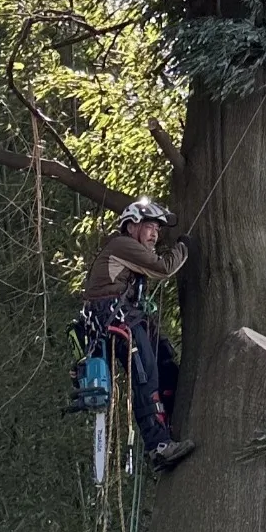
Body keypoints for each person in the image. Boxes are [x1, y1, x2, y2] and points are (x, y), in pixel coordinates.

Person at [81, 197, 195, 471]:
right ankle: (158, 446)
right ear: (131, 227)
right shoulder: (122, 245)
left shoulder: (130, 251)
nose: (155, 233)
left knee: (165, 361)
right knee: (146, 376)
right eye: (149, 226)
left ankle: (170, 418)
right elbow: (163, 267)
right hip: (113, 320)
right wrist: (184, 249)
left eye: (157, 228)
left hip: (128, 318)